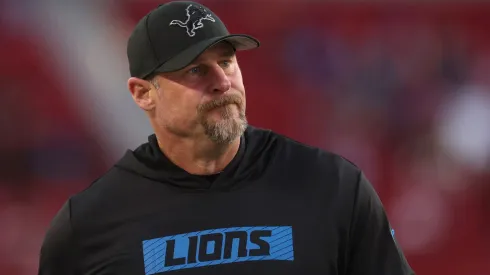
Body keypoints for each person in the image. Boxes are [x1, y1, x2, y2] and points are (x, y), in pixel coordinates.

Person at [37, 1, 415, 275]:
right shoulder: (87, 226)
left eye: (227, 62)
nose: (222, 82)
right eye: (195, 70)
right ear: (142, 93)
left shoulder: (333, 187)